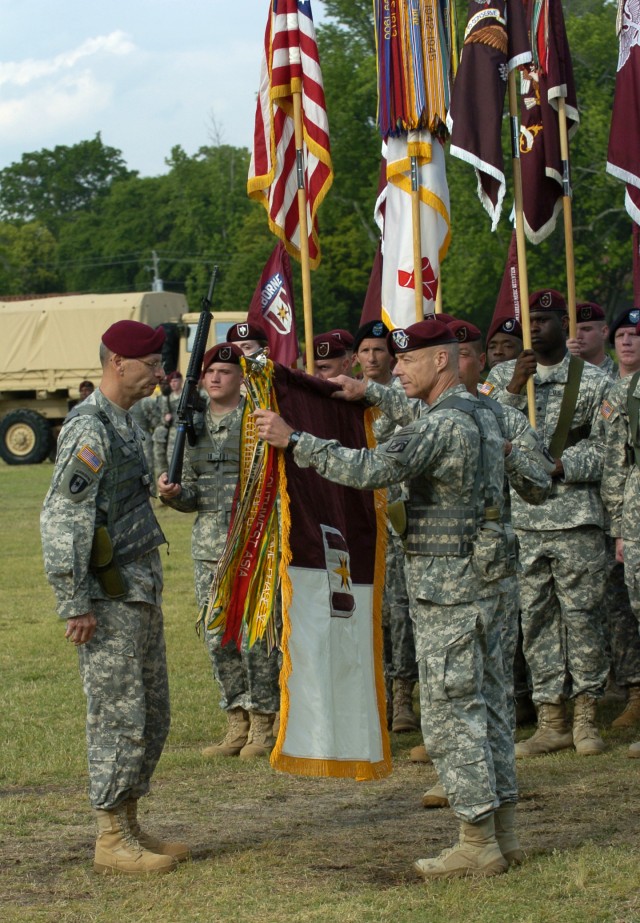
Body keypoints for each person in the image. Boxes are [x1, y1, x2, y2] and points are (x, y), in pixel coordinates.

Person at [255, 319, 521, 880]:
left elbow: (371, 468)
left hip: (448, 589)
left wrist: (295, 439)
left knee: (453, 711)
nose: (396, 369)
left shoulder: (442, 424)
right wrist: (368, 393)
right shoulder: (491, 412)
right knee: (493, 702)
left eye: (407, 361)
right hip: (491, 582)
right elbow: (539, 475)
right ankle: (504, 831)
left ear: (441, 363)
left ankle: (476, 841)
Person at [40, 319, 189, 876]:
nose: (158, 374)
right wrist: (73, 601)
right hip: (107, 596)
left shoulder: (124, 422)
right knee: (118, 714)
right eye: (151, 364)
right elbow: (63, 519)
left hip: (137, 589)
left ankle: (128, 819)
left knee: (152, 712)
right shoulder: (89, 429)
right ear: (117, 364)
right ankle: (108, 835)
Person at [485, 289, 611, 758]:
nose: (534, 328)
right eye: (529, 320)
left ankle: (585, 716)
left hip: (576, 518)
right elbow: (482, 430)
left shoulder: (595, 382)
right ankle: (550, 718)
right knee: (534, 619)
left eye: (544, 320)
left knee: (582, 618)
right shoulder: (502, 377)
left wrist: (561, 465)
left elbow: (607, 451)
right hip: (523, 521)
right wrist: (515, 387)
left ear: (565, 323)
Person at [158, 343, 280, 759]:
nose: (215, 378)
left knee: (254, 637)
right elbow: (191, 493)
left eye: (225, 371)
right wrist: (173, 494)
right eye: (210, 370)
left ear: (241, 379)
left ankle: (266, 720)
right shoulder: (191, 426)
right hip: (209, 547)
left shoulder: (257, 420)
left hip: (253, 544)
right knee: (217, 638)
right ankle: (237, 718)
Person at [352, 320, 419, 734]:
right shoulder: (344, 398)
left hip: (396, 519)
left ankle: (403, 697)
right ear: (355, 357)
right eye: (366, 351)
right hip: (358, 518)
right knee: (364, 611)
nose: (373, 358)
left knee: (400, 611)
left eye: (380, 350)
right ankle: (371, 695)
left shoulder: (404, 399)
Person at [601, 311, 640, 756]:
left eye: (636, 335)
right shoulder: (614, 393)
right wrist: (619, 527)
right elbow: (616, 461)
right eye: (623, 335)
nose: (628, 342)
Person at [567, 302, 615, 377]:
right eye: (573, 330)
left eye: (586, 329)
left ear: (604, 332)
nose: (578, 336)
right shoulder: (563, 373)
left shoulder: (620, 374)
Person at [153, 371, 183, 475]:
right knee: (171, 459)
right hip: (173, 432)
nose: (173, 384)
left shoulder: (186, 396)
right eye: (171, 382)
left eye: (175, 381)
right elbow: (162, 418)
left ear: (181, 381)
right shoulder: (167, 399)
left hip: (186, 432)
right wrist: (165, 419)